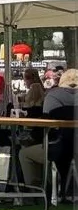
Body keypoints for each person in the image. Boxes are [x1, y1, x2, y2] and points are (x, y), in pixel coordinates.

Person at [19, 68, 78, 196]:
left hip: (58, 147)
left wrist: (33, 137)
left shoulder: (53, 95)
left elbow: (44, 125)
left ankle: (35, 193)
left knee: (24, 153)